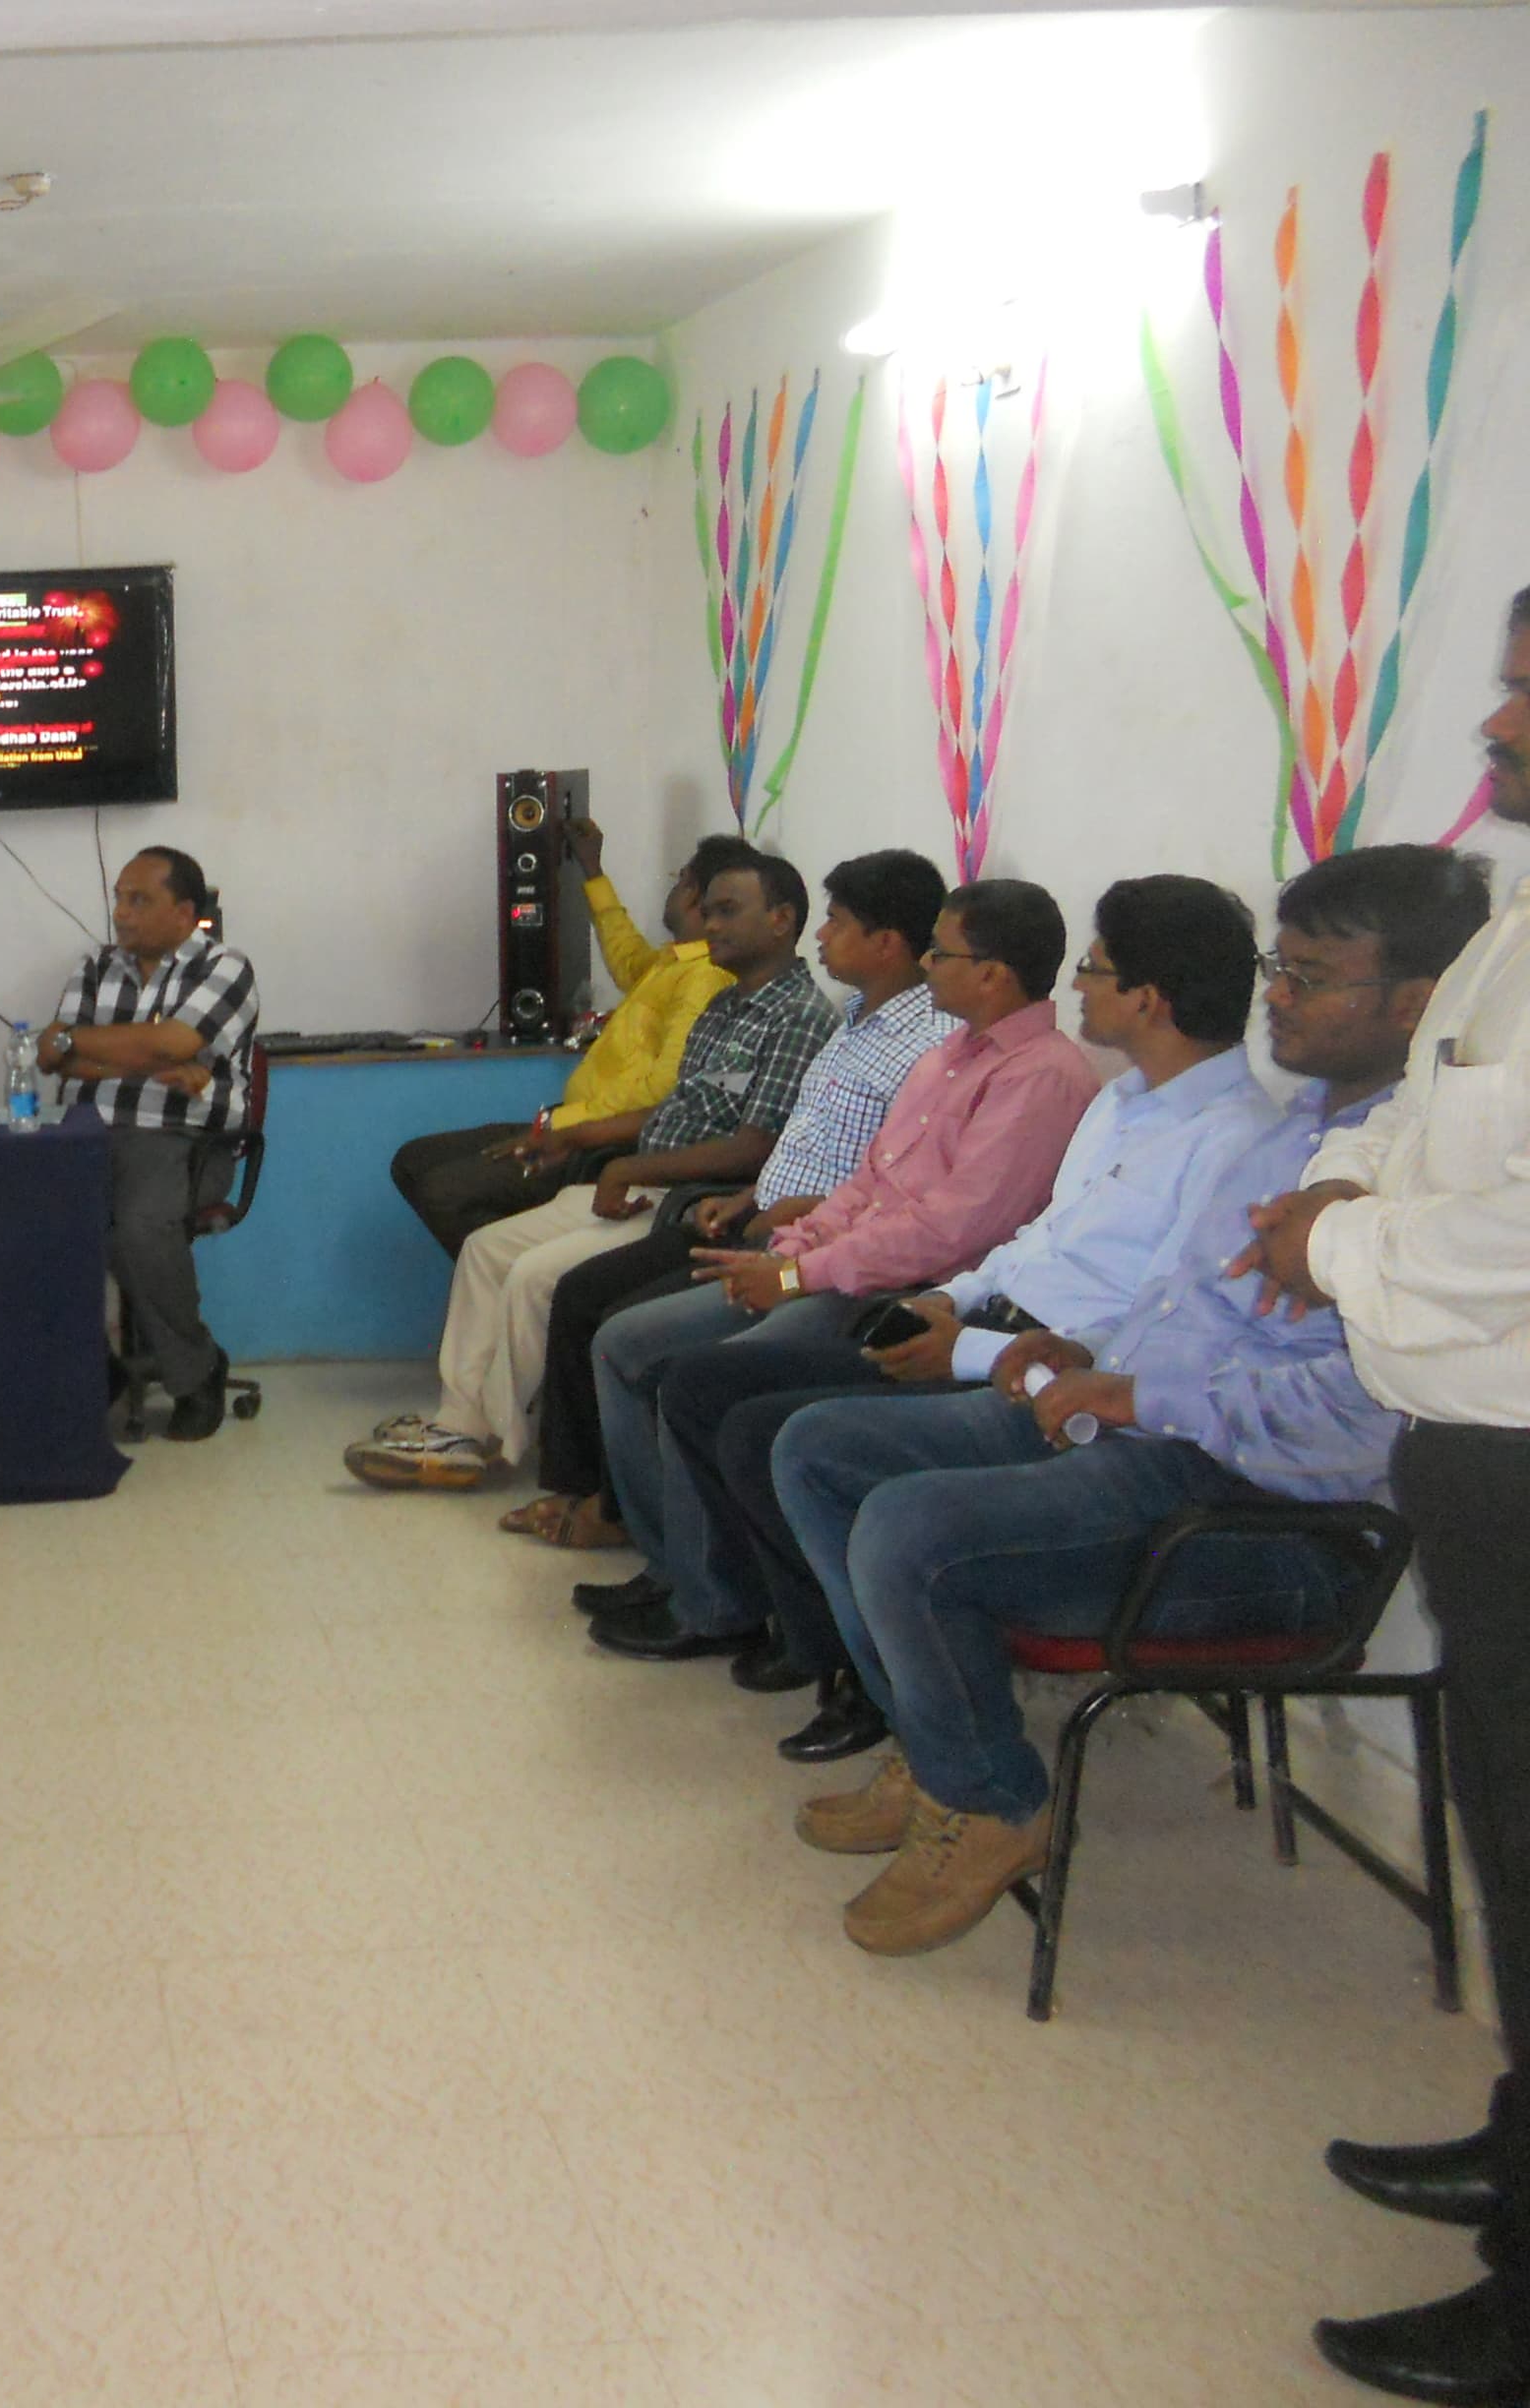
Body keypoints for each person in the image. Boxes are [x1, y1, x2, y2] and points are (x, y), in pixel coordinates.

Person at [764, 852, 1469, 1965]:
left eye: (1311, 976)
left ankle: (989, 1799)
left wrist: (1133, 1389)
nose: (1276, 996)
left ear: (1419, 1002)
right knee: (821, 1447)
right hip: (1142, 1434)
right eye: (1279, 967)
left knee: (907, 1526)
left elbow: (1355, 1426)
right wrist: (1085, 1356)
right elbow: (1171, 1306)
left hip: (1269, 1520)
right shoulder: (1300, 1136)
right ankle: (939, 1753)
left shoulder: (1419, 1193)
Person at [596, 875, 1280, 1737]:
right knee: (714, 1389)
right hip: (973, 1312)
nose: (1077, 984)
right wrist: (942, 1300)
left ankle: (868, 1682)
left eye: (1097, 970)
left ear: (1149, 998)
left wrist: (947, 1339)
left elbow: (1139, 1329)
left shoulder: (1230, 1141)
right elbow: (1025, 1236)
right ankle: (815, 1642)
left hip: (1054, 1375)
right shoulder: (1118, 1100)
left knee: (783, 1431)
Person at [1233, 604, 1530, 2405]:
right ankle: (1517, 2143)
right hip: (1469, 1450)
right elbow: (1411, 1121)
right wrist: (1326, 1196)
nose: (1495, 722)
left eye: (1526, 691)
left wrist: (1330, 1245)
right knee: (1505, 1827)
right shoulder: (1508, 930)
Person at [578, 878, 1099, 1656]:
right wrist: (792, 1249)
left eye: (941, 953)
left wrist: (798, 1276)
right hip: (830, 1262)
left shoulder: (1043, 1076)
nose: (928, 965)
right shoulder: (946, 1056)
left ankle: (716, 1603)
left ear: (992, 974)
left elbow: (953, 1230)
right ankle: (676, 1568)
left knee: (700, 1378)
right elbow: (868, 1181)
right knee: (621, 1340)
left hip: (902, 1293)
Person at [342, 850, 840, 1490]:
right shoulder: (725, 1007)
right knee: (486, 1250)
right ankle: (459, 1424)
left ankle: (499, 1443)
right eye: (708, 909)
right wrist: (581, 1141)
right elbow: (677, 1106)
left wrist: (628, 1165)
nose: (711, 924)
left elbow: (755, 1146)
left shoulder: (799, 1018)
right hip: (641, 1178)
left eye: (726, 911)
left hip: (688, 1198)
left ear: (781, 920)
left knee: (533, 1277)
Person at [511, 850, 954, 1547]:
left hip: (818, 1253)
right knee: (597, 1305)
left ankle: (641, 1531)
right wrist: (752, 1197)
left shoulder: (928, 1046)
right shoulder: (856, 1019)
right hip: (755, 1217)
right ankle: (627, 1516)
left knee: (627, 1332)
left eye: (835, 922)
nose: (819, 935)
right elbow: (806, 1139)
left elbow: (896, 1184)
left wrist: (799, 1215)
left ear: (886, 942)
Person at [385, 822, 752, 1257]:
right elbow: (627, 960)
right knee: (413, 1161)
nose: (671, 890)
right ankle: (510, 1269)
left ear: (694, 894)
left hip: (601, 1144)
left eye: (680, 878)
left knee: (445, 1192)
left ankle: (517, 1275)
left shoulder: (706, 978)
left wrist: (566, 1125)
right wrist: (593, 872)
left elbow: (663, 1092)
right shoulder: (675, 964)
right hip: (572, 1125)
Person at [38, 848, 263, 1439]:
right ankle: (100, 1368)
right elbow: (51, 1054)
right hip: (87, 1135)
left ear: (184, 911)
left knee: (136, 1226)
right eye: (119, 898)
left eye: (139, 900)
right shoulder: (95, 967)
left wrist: (86, 1045)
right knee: (24, 1216)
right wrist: (146, 1053)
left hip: (184, 1139)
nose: (122, 913)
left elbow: (170, 1043)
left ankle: (197, 1371)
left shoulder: (225, 967)